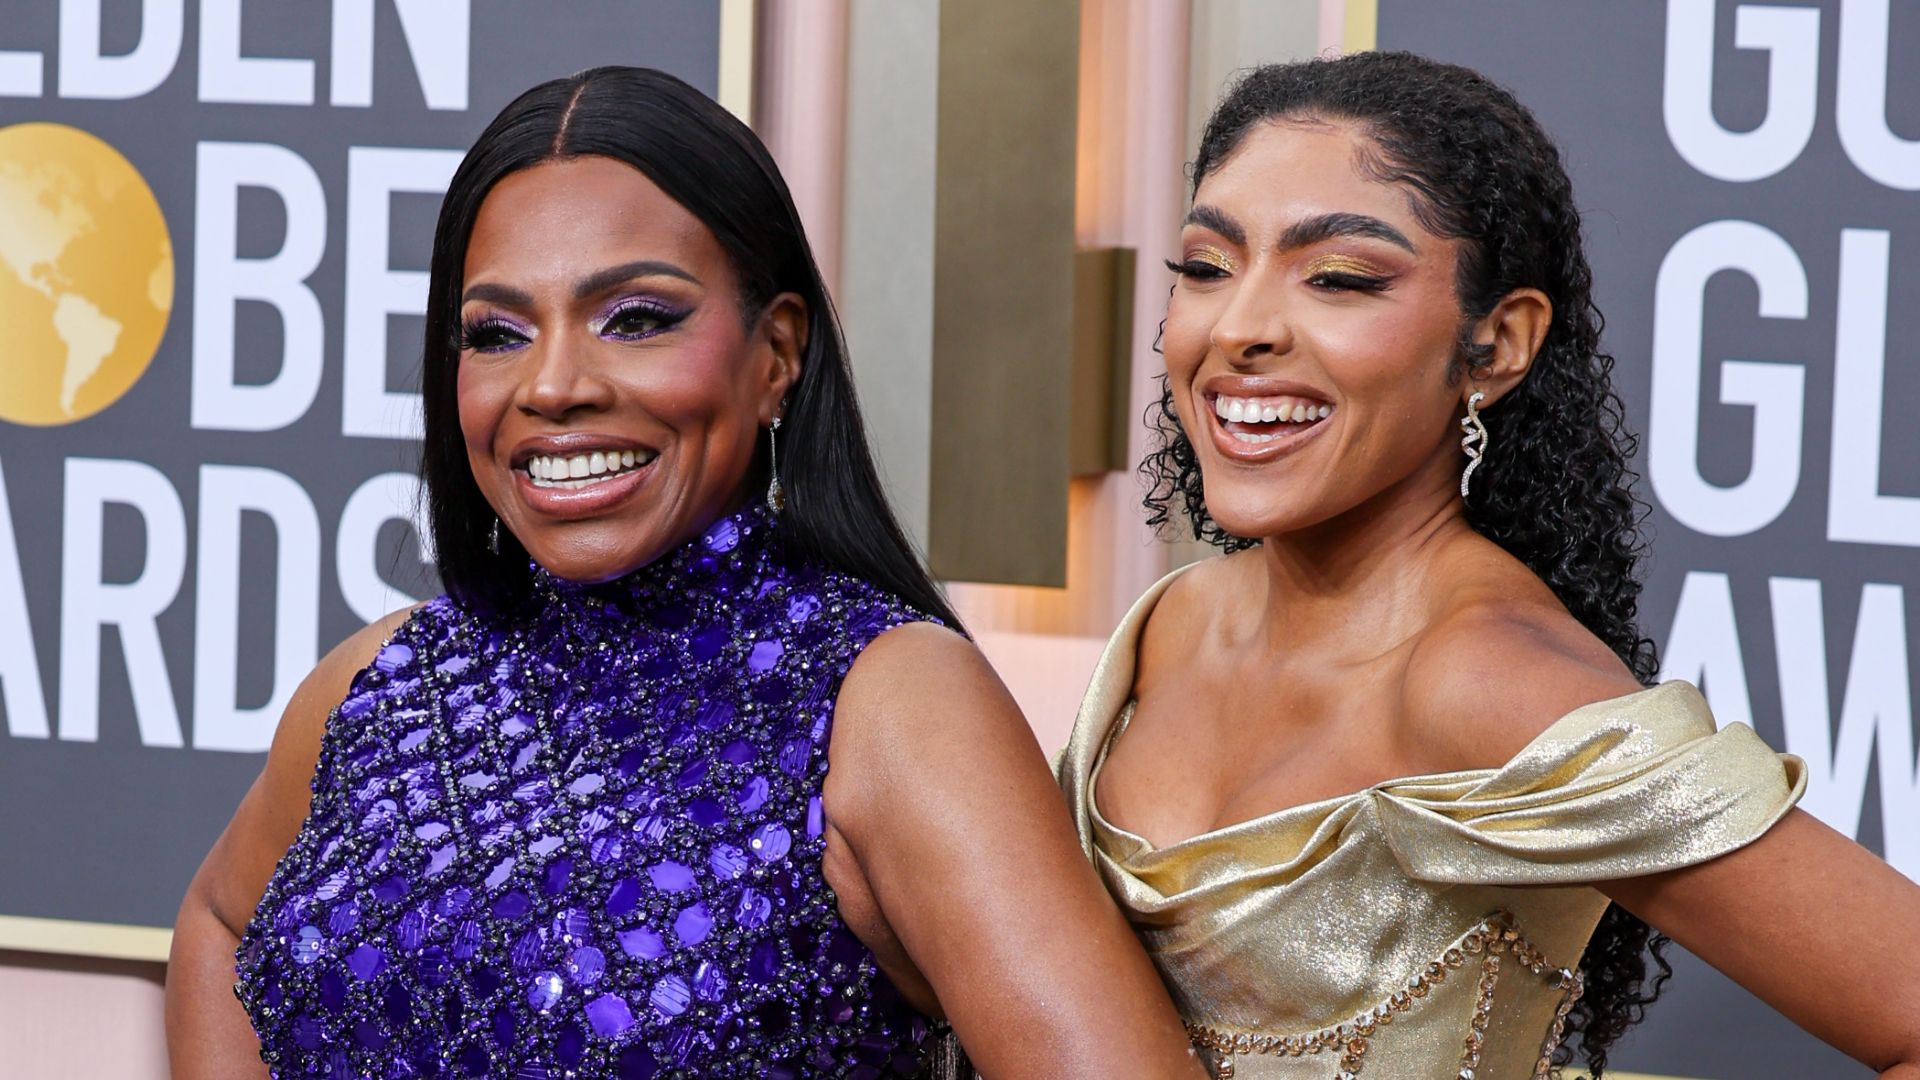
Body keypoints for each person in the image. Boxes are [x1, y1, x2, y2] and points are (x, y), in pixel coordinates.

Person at [166, 66, 1203, 1080]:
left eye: (637, 319)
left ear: (777, 355)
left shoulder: (887, 703)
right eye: (497, 334)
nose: (555, 384)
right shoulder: (382, 681)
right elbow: (219, 922)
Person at [1056, 52, 1920, 1079]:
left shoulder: (1492, 678)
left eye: (1338, 278)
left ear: (1497, 345)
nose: (1239, 326)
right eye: (1206, 266)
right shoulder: (1169, 624)